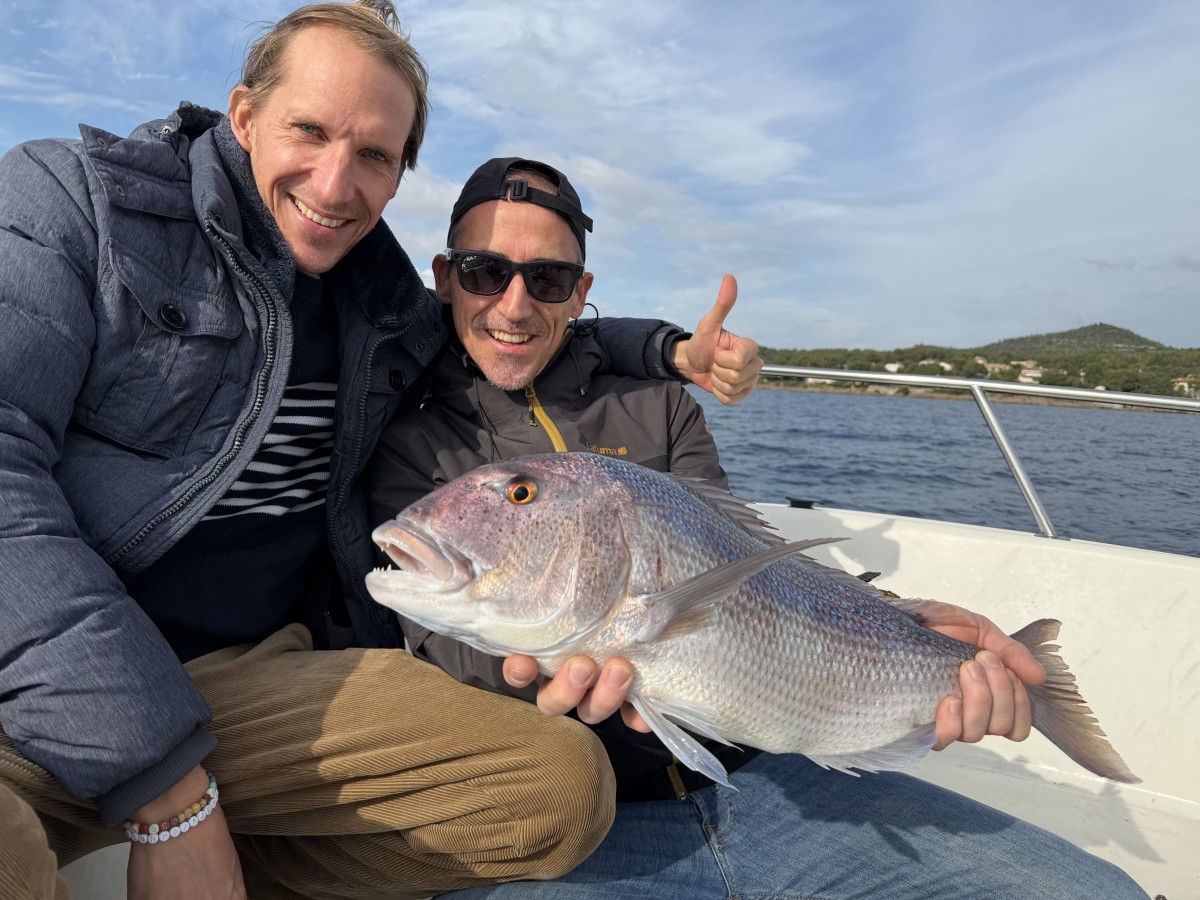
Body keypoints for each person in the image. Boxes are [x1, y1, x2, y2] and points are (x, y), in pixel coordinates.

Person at [0, 3, 764, 899]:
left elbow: (515, 324)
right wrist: (171, 797)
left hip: (249, 678)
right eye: (310, 131)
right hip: (34, 668)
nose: (334, 185)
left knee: (556, 789)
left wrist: (668, 351)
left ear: (401, 171)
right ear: (244, 115)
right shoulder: (74, 200)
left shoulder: (384, 303)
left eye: (373, 156)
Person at [366, 157, 1149, 900]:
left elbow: (757, 573)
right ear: (445, 278)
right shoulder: (411, 440)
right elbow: (445, 644)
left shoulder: (662, 403)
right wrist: (545, 676)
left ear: (579, 294)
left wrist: (907, 628)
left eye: (549, 279)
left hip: (774, 777)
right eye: (484, 272)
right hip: (583, 822)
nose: (513, 303)